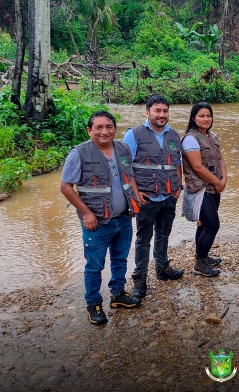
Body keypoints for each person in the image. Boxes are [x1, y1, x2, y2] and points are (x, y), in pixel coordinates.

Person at [60, 111, 143, 325]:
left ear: (115, 129)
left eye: (109, 127)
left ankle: (117, 295)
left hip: (123, 219)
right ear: (89, 131)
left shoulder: (123, 148)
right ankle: (93, 303)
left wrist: (136, 199)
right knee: (94, 266)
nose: (104, 131)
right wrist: (86, 213)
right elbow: (65, 186)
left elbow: (129, 175)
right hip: (96, 222)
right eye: (99, 127)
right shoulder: (79, 153)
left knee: (120, 259)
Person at [123, 94, 184, 299]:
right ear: (147, 112)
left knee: (164, 234)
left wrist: (178, 187)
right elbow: (125, 167)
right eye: (157, 111)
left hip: (168, 196)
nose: (162, 115)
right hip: (146, 197)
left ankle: (162, 267)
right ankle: (139, 278)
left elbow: (176, 163)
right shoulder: (134, 134)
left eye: (165, 111)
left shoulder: (174, 135)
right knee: (143, 239)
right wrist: (135, 192)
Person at [182, 102, 227, 277]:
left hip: (214, 187)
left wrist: (224, 179)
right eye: (201, 116)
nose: (206, 119)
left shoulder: (211, 136)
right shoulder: (190, 139)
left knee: (203, 224)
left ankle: (203, 256)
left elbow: (220, 158)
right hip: (200, 188)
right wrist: (218, 182)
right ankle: (200, 263)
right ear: (194, 118)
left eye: (208, 115)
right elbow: (197, 167)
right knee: (212, 225)